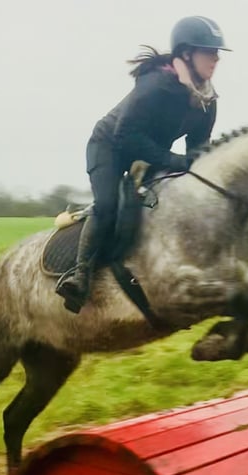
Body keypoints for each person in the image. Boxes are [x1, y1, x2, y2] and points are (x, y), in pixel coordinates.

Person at [56, 16, 230, 313]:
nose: (215, 59)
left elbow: (197, 150)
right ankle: (79, 274)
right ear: (186, 53)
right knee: (109, 205)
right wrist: (175, 160)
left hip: (148, 151)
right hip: (110, 147)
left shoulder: (206, 101)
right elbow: (125, 136)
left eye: (217, 53)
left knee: (168, 200)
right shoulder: (156, 86)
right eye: (208, 51)